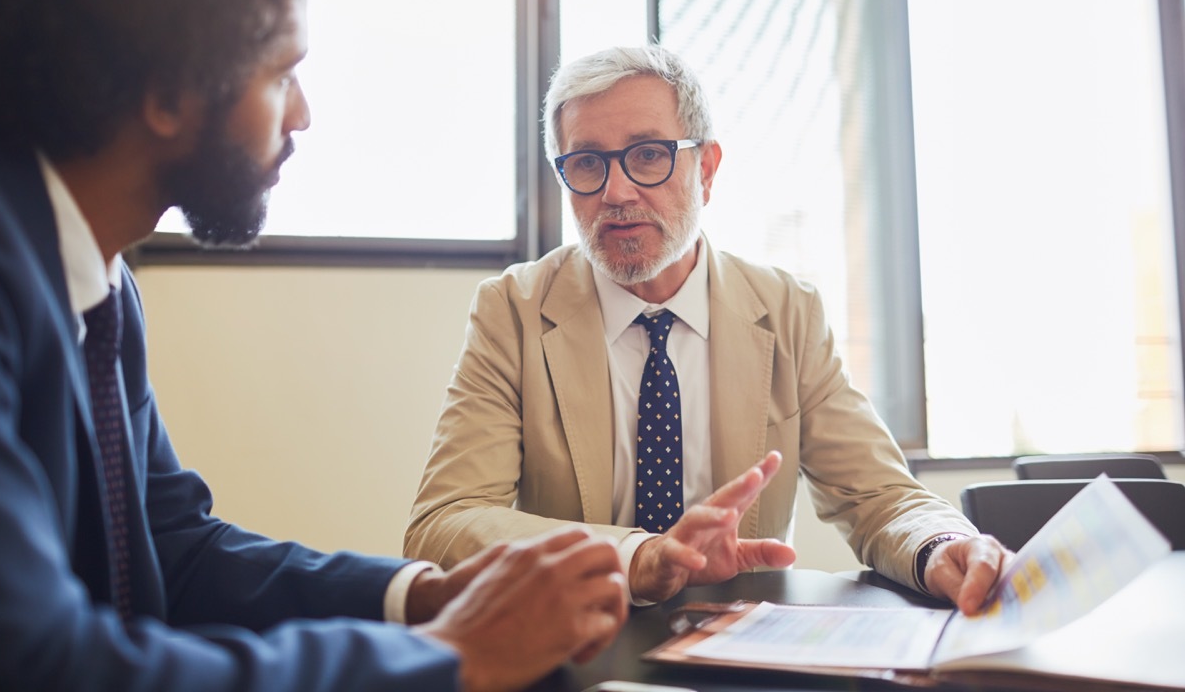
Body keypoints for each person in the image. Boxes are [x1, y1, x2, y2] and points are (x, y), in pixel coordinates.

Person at [0, 0, 627, 690]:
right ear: (170, 94)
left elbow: (174, 549)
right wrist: (458, 657)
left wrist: (423, 601)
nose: (304, 113)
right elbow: (37, 662)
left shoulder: (97, 279)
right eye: (283, 74)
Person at [405, 44, 1008, 612]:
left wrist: (939, 545)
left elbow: (877, 496)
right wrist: (637, 556)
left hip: (743, 648)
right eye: (586, 162)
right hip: (576, 644)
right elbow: (444, 522)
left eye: (647, 154)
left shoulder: (788, 310)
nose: (616, 191)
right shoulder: (512, 310)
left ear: (707, 168)